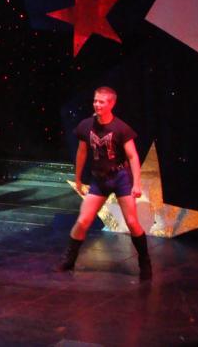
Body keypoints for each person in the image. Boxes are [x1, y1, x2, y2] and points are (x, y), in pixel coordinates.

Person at [55, 86, 152, 280]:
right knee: (83, 221)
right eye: (95, 101)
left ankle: (144, 261)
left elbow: (133, 156)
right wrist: (78, 178)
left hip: (121, 178)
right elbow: (82, 152)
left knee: (132, 222)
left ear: (111, 104)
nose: (97, 105)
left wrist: (136, 184)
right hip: (99, 179)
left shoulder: (121, 128)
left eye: (102, 102)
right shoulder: (86, 125)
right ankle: (69, 259)